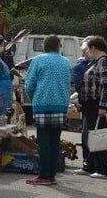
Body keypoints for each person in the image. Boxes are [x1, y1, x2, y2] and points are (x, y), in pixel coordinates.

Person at [23, 35, 72, 185]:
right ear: (59, 46)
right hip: (61, 105)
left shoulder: (38, 60)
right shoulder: (66, 62)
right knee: (54, 142)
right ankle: (52, 174)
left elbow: (29, 85)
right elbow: (69, 83)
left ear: (45, 46)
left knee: (43, 142)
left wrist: (34, 99)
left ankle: (44, 175)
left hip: (42, 105)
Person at [74, 36, 107, 179]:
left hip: (98, 105)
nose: (86, 52)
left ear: (93, 48)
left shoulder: (103, 62)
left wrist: (103, 106)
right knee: (90, 135)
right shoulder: (97, 62)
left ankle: (102, 168)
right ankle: (90, 165)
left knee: (99, 136)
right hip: (91, 105)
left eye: (88, 48)